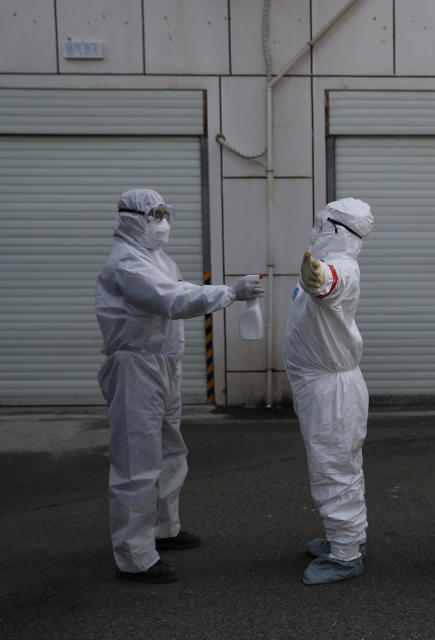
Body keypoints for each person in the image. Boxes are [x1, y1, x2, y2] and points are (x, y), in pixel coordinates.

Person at [96, 188, 264, 584]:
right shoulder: (126, 263)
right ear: (133, 218)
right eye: (155, 215)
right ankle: (135, 557)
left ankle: (163, 530)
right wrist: (230, 292)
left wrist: (223, 291)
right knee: (137, 463)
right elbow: (171, 300)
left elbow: (180, 286)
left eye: (165, 214)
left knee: (171, 450)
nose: (163, 223)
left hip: (162, 365)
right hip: (135, 367)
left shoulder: (155, 258)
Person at [283, 197, 374, 585]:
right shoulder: (327, 265)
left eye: (322, 224)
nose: (315, 230)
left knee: (334, 469)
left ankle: (345, 555)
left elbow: (329, 285)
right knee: (336, 466)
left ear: (337, 229)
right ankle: (347, 536)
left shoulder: (340, 269)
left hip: (331, 391)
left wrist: (318, 278)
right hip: (320, 387)